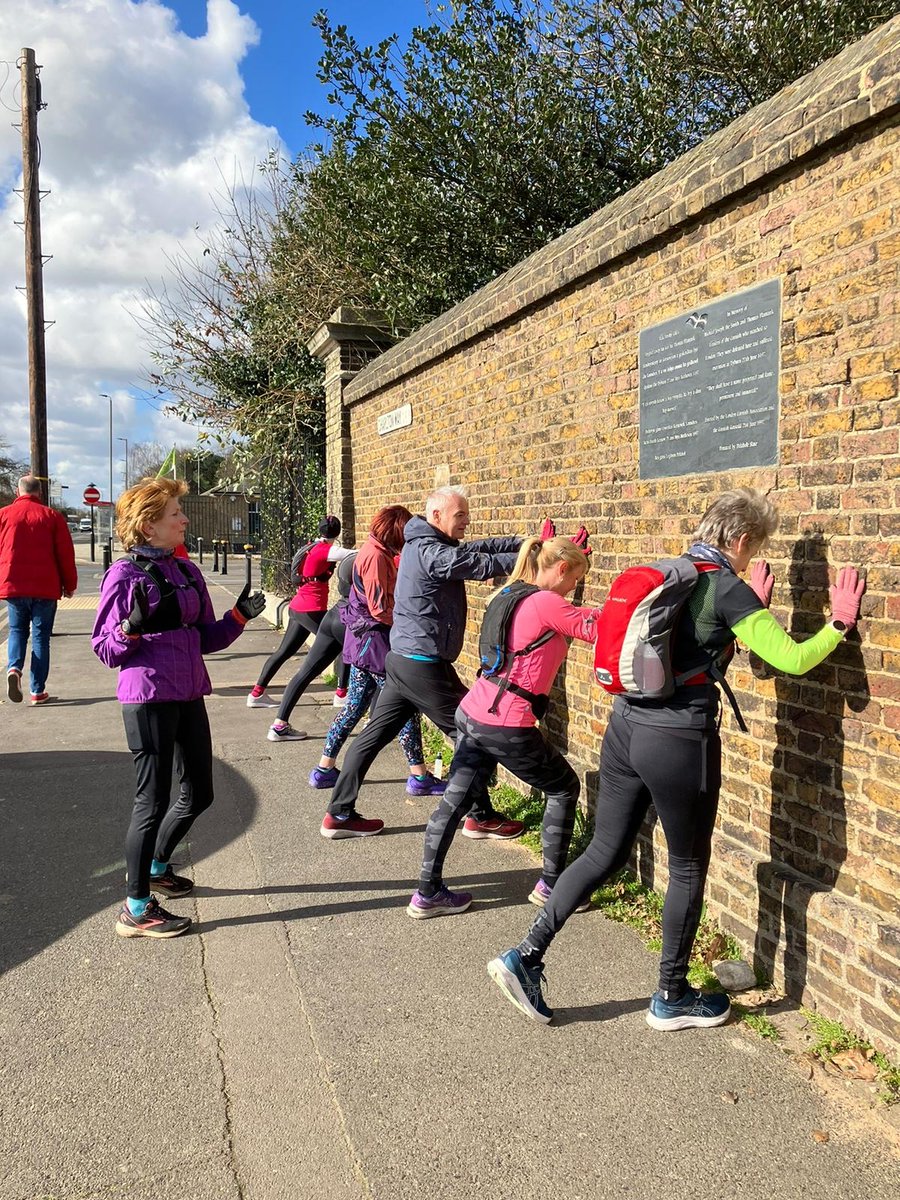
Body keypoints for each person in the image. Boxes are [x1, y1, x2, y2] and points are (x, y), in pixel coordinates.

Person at [488, 488, 866, 1031]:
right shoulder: (727, 587)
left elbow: (692, 650)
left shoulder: (675, 572)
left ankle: (524, 955)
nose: (749, 558)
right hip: (679, 739)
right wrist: (838, 624)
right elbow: (790, 659)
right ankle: (671, 995)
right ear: (738, 539)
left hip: (625, 728)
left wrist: (747, 614)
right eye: (752, 548)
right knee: (688, 865)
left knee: (603, 851)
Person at [92, 477, 266, 939]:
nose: (184, 519)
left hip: (189, 691)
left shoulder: (186, 572)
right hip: (147, 697)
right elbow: (106, 651)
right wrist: (129, 627)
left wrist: (240, 617)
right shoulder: (123, 577)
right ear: (149, 525)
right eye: (175, 514)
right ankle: (135, 907)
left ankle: (156, 867)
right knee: (151, 801)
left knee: (200, 792)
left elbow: (204, 638)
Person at [407, 535, 598, 917]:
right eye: (575, 578)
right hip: (507, 722)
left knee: (454, 802)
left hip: (474, 711)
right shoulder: (547, 602)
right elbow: (598, 628)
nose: (574, 587)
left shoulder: (511, 592)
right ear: (561, 569)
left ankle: (427, 892)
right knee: (563, 787)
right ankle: (552, 886)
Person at [321, 486, 525, 839]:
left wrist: (525, 544)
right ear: (436, 516)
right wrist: (532, 559)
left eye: (466, 514)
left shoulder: (428, 544)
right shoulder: (431, 551)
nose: (466, 521)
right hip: (421, 665)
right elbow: (475, 563)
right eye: (460, 515)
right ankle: (480, 815)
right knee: (471, 731)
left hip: (402, 660)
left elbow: (478, 549)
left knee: (372, 735)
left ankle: (338, 814)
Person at [309, 504, 444, 801]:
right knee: (404, 708)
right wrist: (409, 620)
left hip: (363, 645)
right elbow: (380, 609)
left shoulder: (374, 551)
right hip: (377, 646)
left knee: (355, 707)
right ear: (394, 530)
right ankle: (419, 776)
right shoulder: (376, 558)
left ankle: (324, 768)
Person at [246, 516, 353, 708]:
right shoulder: (327, 550)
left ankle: (256, 693)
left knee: (284, 651)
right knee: (344, 644)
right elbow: (355, 555)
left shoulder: (311, 546)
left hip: (297, 607)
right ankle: (341, 694)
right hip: (311, 609)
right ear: (337, 533)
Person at [0, 475, 77, 705]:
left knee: (16, 631)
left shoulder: (3, 516)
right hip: (45, 587)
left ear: (17, 492)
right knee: (41, 638)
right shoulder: (52, 517)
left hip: (14, 585)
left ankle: (14, 667)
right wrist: (70, 585)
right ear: (40, 493)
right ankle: (37, 691)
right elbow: (65, 554)